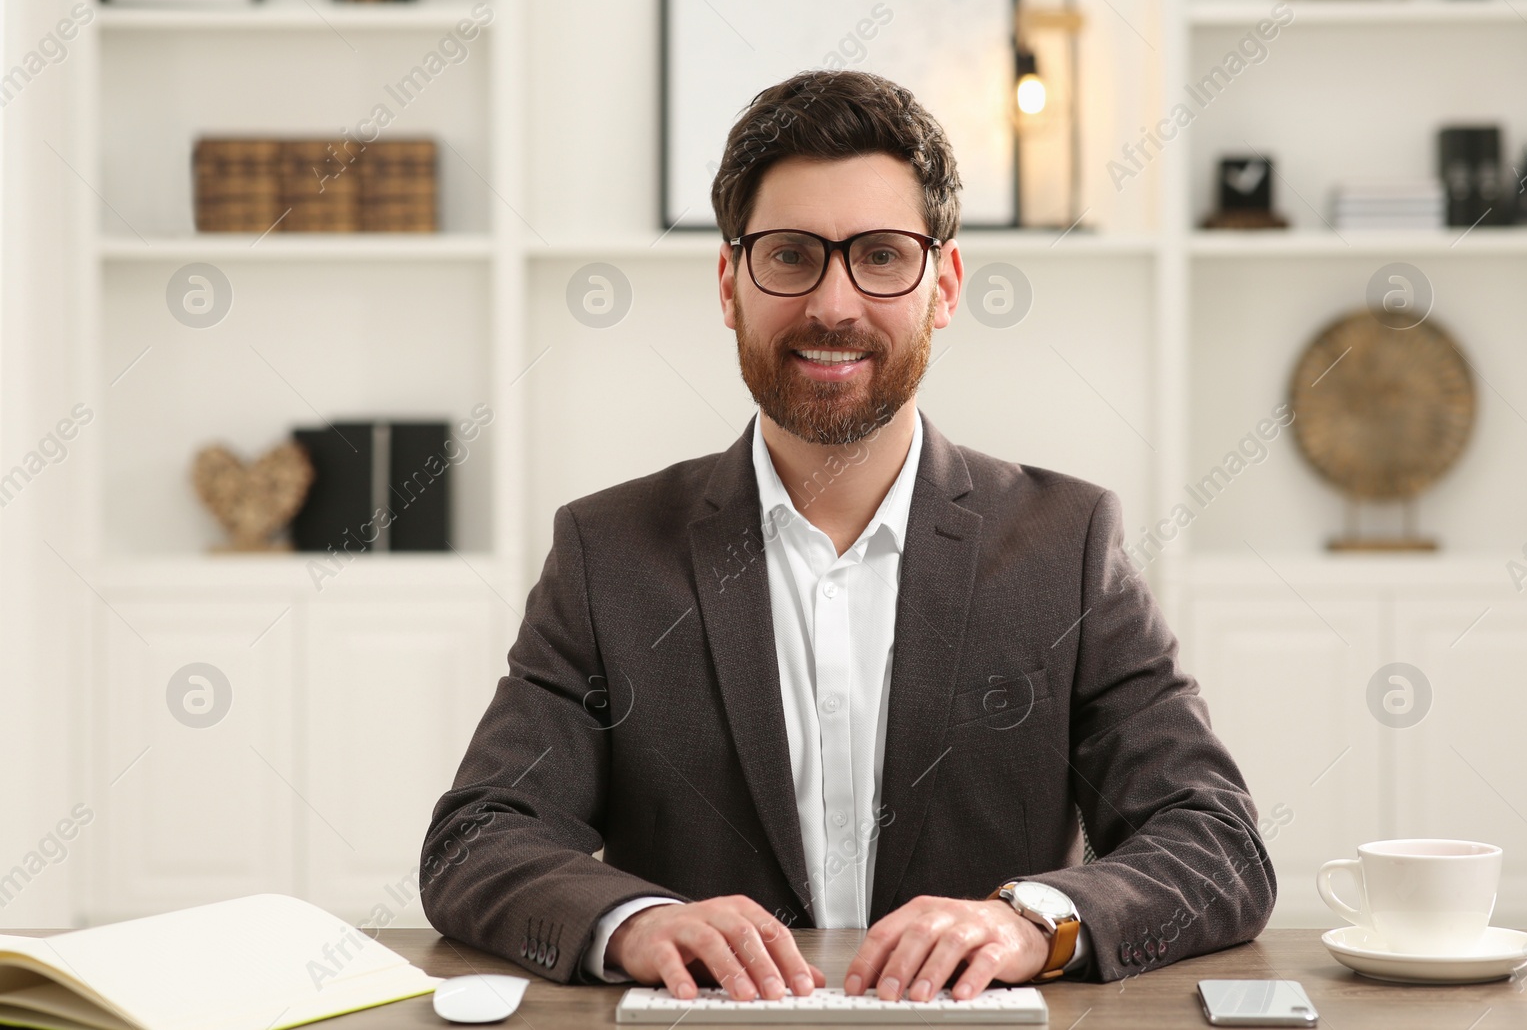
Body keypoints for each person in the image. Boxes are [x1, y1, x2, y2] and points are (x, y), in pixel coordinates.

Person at [421, 69, 1275, 1001]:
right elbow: (480, 835)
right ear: (730, 283)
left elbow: (1215, 840)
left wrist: (1031, 920)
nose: (834, 304)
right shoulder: (607, 551)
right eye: (790, 255)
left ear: (943, 285)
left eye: (880, 254)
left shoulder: (1070, 543)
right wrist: (638, 922)